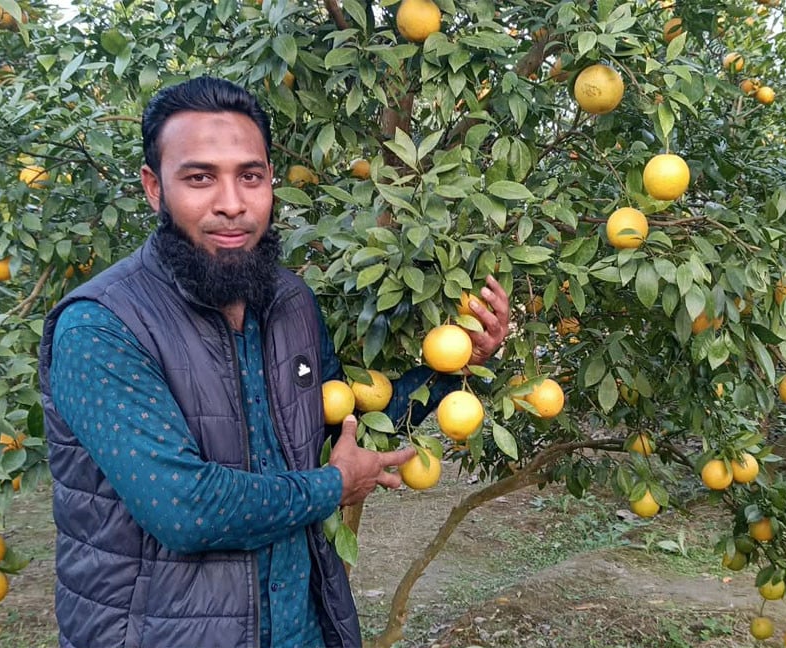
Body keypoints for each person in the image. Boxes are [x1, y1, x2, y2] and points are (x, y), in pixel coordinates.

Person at [38, 75, 511, 648]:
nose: (232, 204)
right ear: (154, 188)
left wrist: (452, 370)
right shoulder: (101, 327)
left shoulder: (289, 301)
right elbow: (185, 509)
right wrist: (332, 486)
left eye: (250, 176)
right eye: (199, 178)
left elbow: (342, 423)